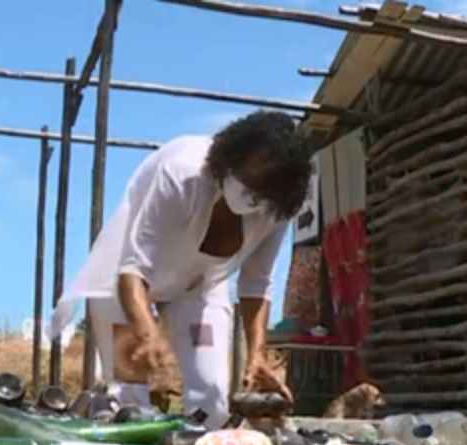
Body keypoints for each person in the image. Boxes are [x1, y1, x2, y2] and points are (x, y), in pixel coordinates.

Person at [50, 111, 313, 428]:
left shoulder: (277, 209)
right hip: (122, 285)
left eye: (261, 191)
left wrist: (257, 354)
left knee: (211, 407)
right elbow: (133, 268)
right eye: (246, 179)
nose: (249, 194)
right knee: (130, 402)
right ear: (231, 156)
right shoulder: (182, 173)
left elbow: (256, 284)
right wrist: (148, 335)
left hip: (198, 288)